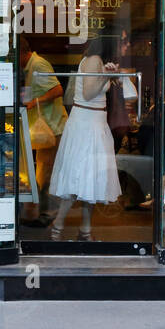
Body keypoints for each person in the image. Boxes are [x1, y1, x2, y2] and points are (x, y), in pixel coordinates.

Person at [46, 36, 122, 240]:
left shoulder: (95, 60)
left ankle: (84, 230)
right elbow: (89, 93)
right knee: (78, 177)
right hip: (87, 124)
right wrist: (106, 76)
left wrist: (110, 75)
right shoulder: (93, 60)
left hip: (93, 122)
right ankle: (58, 225)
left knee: (90, 180)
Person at [20, 44, 67, 227]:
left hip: (52, 128)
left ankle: (47, 215)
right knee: (42, 170)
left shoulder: (38, 64)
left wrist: (34, 102)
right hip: (45, 129)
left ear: (23, 52)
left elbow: (57, 90)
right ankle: (40, 213)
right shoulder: (31, 66)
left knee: (47, 172)